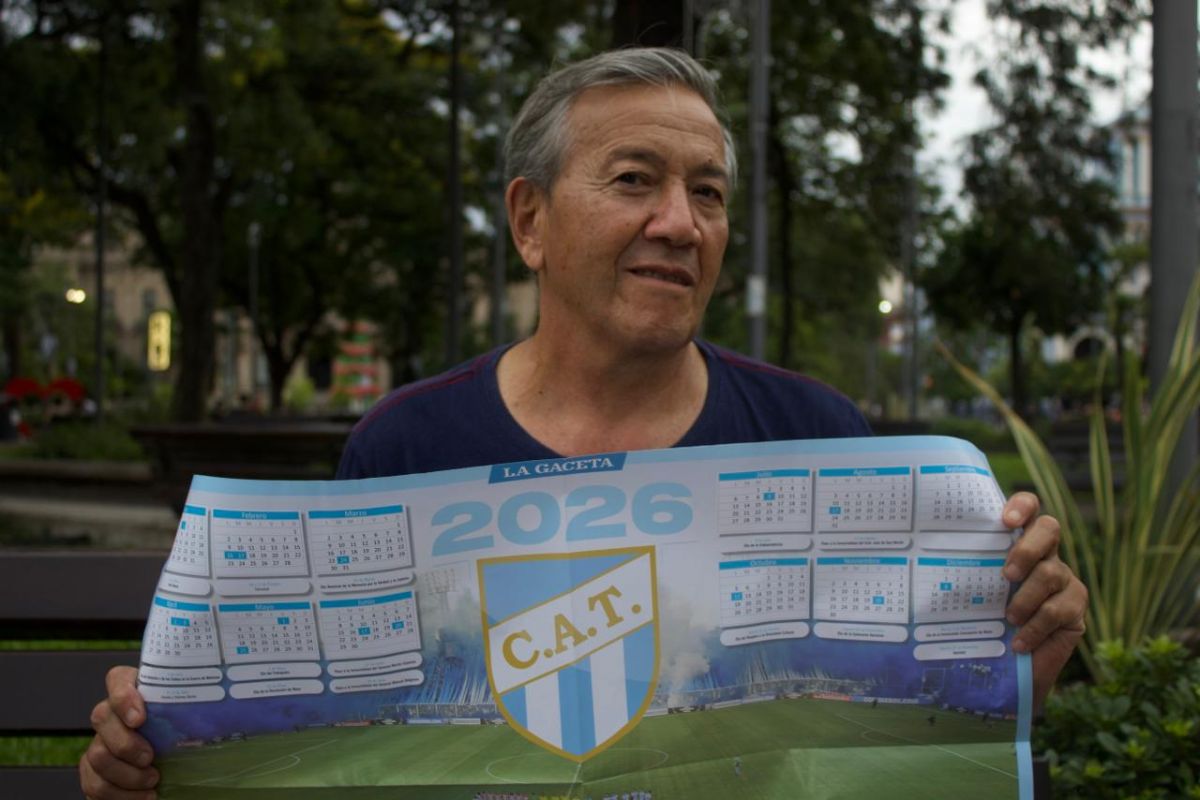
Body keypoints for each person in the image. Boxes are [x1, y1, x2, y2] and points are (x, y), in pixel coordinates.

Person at [80, 47, 1087, 800]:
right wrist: (152, 752)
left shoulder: (820, 435)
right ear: (530, 222)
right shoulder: (402, 449)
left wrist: (1019, 662)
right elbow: (339, 749)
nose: (681, 223)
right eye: (634, 179)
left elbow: (889, 752)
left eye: (707, 192)